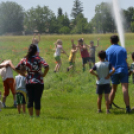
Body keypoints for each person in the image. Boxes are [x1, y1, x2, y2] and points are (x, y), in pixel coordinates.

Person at [15, 44, 49, 117]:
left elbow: (16, 68)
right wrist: (44, 74)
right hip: (38, 81)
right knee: (37, 99)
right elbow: (47, 66)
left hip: (28, 82)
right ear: (36, 51)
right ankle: (37, 116)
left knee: (30, 99)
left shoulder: (25, 59)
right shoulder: (39, 58)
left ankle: (31, 116)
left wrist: (25, 75)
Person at [106, 35, 131, 113]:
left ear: (111, 41)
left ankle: (109, 105)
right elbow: (125, 61)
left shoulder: (107, 50)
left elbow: (107, 63)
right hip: (123, 70)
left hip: (114, 71)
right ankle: (127, 108)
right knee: (125, 88)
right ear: (118, 40)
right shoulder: (123, 49)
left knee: (113, 89)